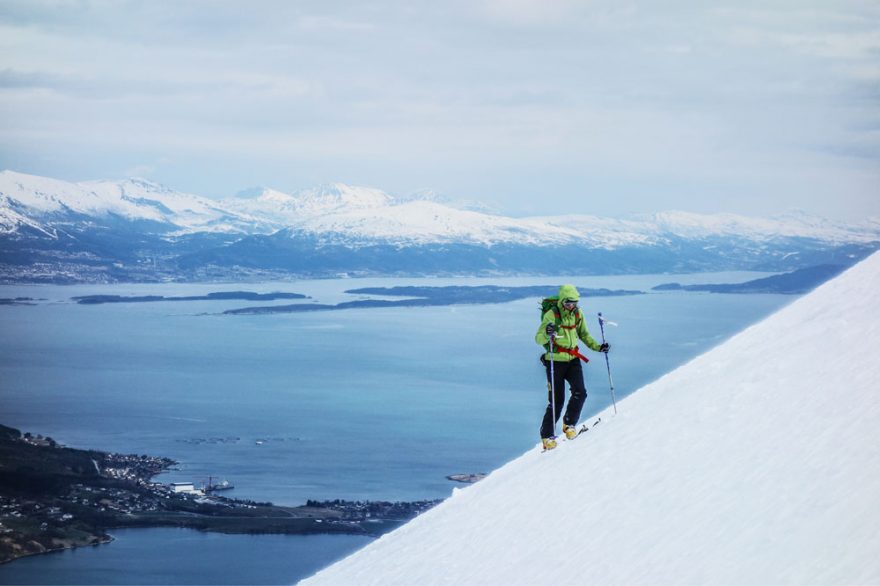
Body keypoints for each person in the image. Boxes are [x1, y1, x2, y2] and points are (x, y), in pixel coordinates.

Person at [535, 284, 609, 450]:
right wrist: (547, 332)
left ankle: (569, 425)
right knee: (556, 400)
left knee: (580, 392)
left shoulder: (577, 314)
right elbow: (538, 339)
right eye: (568, 302)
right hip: (554, 360)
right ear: (562, 301)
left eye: (574, 302)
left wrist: (598, 347)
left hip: (573, 359)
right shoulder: (551, 315)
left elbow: (584, 334)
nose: (571, 305)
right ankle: (547, 436)